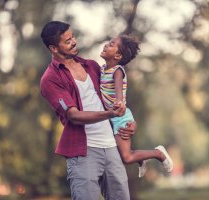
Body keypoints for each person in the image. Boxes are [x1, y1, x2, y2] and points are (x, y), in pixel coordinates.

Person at [40, 21, 137, 200]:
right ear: (54, 48)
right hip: (82, 153)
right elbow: (73, 115)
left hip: (111, 147)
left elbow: (113, 101)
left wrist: (129, 122)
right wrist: (111, 114)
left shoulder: (92, 66)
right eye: (68, 41)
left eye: (73, 37)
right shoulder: (50, 79)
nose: (74, 42)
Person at [99, 35, 173, 178]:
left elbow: (119, 92)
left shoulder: (117, 71)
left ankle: (158, 153)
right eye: (108, 43)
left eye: (111, 44)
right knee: (121, 154)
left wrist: (119, 103)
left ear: (118, 55)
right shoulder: (102, 69)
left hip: (120, 117)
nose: (106, 45)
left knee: (126, 157)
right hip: (112, 117)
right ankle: (142, 158)